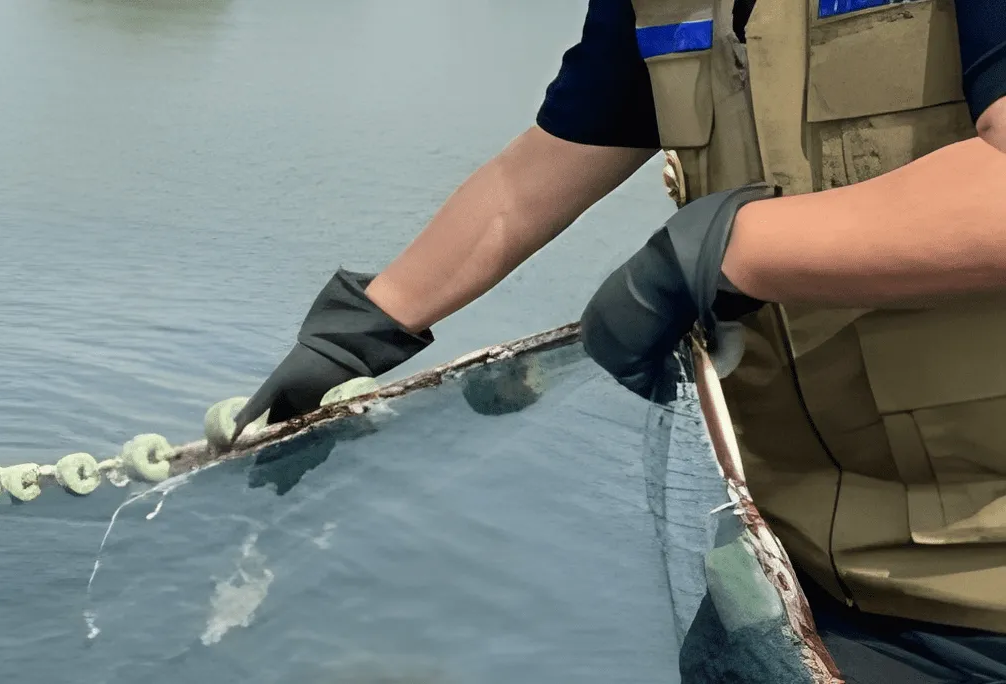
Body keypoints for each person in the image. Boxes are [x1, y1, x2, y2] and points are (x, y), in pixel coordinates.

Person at [222, 2, 1006, 681]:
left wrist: (724, 249)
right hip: (787, 576)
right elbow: (550, 158)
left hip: (981, 593)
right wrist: (365, 328)